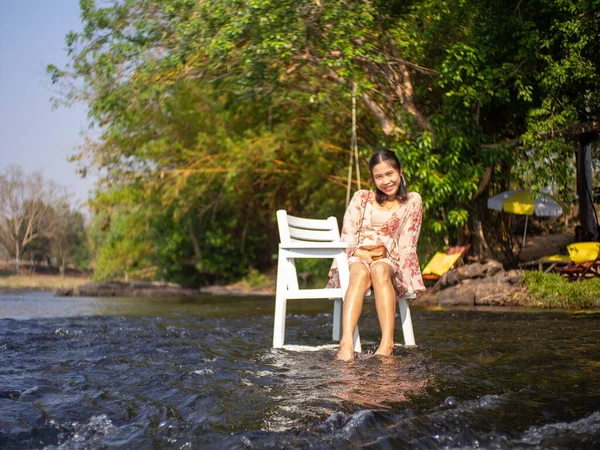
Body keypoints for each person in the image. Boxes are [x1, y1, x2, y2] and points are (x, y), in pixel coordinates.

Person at [327, 150, 425, 361]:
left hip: (389, 258)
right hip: (358, 254)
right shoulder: (362, 197)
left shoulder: (412, 201)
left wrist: (411, 279)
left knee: (380, 269)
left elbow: (409, 242)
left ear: (400, 171)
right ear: (373, 178)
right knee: (360, 274)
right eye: (378, 176)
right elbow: (349, 233)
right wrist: (356, 252)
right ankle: (346, 343)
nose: (385, 181)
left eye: (389, 173)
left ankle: (387, 343)